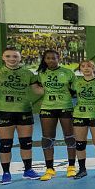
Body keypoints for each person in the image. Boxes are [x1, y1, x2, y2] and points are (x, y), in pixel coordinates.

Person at [0, 47, 43, 183]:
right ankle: (6, 173)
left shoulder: (28, 73)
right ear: (3, 58)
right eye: (8, 56)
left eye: (15, 56)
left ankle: (28, 170)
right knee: (5, 144)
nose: (11, 59)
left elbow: (37, 91)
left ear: (20, 58)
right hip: (4, 111)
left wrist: (57, 88)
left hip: (24, 111)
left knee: (26, 143)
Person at [36, 49, 76, 180]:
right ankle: (49, 169)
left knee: (69, 137)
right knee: (47, 138)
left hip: (65, 107)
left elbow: (76, 90)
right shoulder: (41, 73)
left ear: (59, 59)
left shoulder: (68, 73)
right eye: (48, 58)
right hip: (48, 107)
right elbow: (37, 88)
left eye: (54, 58)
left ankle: (71, 166)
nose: (51, 60)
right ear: (45, 60)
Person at [70, 59, 95, 179]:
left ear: (93, 68)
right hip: (79, 115)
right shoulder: (76, 82)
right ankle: (82, 170)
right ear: (80, 69)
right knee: (80, 144)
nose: (86, 68)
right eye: (83, 66)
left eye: (89, 66)